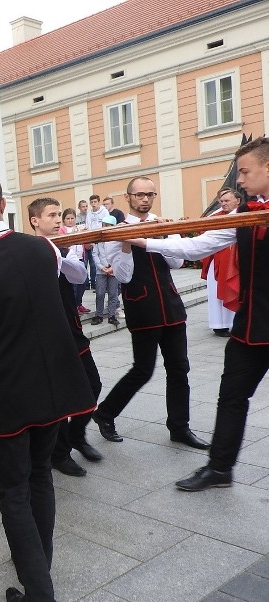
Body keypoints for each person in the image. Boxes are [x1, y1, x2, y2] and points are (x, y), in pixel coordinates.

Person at [0, 169, 96, 602]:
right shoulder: (44, 248)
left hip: (10, 392)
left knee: (13, 491)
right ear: (3, 204)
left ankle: (41, 601)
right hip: (54, 384)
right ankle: (40, 570)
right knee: (39, 477)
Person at [128, 137, 269, 491]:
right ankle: (219, 468)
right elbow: (197, 245)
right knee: (231, 395)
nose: (239, 180)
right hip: (252, 324)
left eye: (245, 171)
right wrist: (146, 241)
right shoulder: (244, 214)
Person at [91, 177, 209, 450]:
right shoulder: (117, 231)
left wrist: (170, 234)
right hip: (142, 307)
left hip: (171, 305)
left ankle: (179, 428)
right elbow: (123, 275)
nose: (145, 199)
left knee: (179, 369)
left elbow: (177, 261)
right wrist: (126, 243)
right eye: (140, 195)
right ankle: (105, 413)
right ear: (128, 197)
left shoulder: (162, 223)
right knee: (143, 369)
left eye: (150, 194)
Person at [28, 198, 115, 477]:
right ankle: (60, 453)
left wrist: (58, 254)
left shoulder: (66, 246)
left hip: (72, 328)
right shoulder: (28, 251)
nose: (57, 220)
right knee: (59, 397)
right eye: (51, 215)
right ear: (35, 221)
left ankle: (77, 435)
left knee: (93, 384)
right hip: (47, 334)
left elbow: (79, 276)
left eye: (58, 214)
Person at [201, 187, 241, 337]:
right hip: (218, 261)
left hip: (237, 259)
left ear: (237, 200)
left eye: (227, 201)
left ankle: (234, 323)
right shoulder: (216, 216)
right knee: (216, 291)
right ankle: (219, 325)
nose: (223, 204)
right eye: (221, 201)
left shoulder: (245, 215)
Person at [90, 215, 122, 327]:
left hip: (113, 271)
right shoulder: (99, 240)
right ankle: (99, 315)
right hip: (101, 271)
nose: (105, 227)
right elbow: (95, 254)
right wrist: (101, 267)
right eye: (104, 225)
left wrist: (112, 267)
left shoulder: (117, 240)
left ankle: (111, 315)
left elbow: (119, 255)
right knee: (100, 293)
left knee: (113, 293)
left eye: (108, 225)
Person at [59, 208, 90, 314]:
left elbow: (86, 244)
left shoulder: (78, 228)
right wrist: (74, 232)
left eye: (72, 218)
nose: (70, 220)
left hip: (80, 257)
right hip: (69, 259)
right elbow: (64, 242)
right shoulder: (62, 230)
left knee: (83, 283)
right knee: (73, 285)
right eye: (68, 218)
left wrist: (86, 236)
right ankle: (74, 305)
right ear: (64, 220)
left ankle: (79, 303)